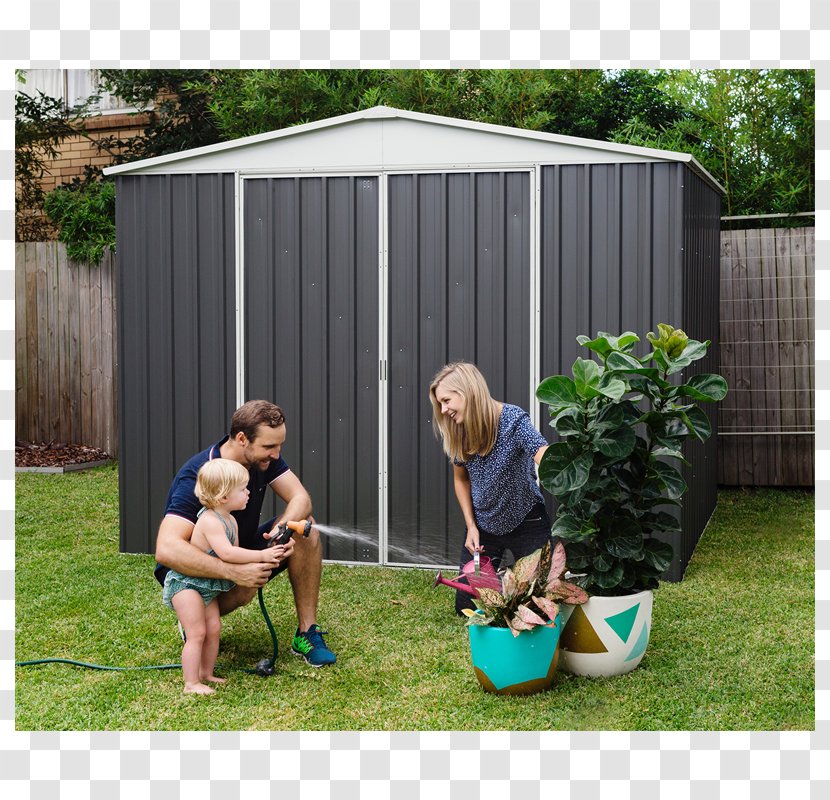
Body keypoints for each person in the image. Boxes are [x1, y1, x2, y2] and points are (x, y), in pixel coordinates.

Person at [154, 400, 336, 666]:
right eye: (269, 446)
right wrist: (233, 571)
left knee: (304, 528)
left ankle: (306, 633)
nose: (276, 454)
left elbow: (300, 498)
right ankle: (195, 616)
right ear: (242, 439)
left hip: (240, 550)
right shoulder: (200, 476)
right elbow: (167, 548)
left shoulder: (263, 460)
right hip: (192, 578)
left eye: (279, 446)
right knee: (244, 588)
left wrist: (282, 527)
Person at [429, 362, 551, 615]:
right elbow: (461, 479)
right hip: (483, 525)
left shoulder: (513, 420)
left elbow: (543, 453)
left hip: (527, 519)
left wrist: (564, 470)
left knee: (538, 604)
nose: (444, 409)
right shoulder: (460, 431)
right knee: (468, 607)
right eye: (440, 404)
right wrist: (472, 527)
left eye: (446, 400)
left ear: (466, 391)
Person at [163, 458, 282, 694]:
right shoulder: (210, 520)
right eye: (243, 489)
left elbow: (234, 555)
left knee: (214, 628)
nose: (249, 493)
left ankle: (206, 673)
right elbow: (227, 553)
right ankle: (191, 683)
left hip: (206, 586)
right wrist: (262, 555)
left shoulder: (230, 521)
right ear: (224, 496)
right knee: (197, 632)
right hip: (187, 584)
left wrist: (265, 556)